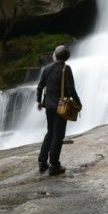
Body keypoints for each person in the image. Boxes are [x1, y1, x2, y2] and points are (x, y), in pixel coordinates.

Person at [36, 45, 81, 176]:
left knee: (50, 132)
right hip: (61, 106)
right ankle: (54, 165)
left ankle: (42, 162)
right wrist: (78, 102)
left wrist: (38, 101)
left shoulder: (47, 69)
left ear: (55, 55)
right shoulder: (66, 69)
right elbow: (71, 89)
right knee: (58, 135)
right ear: (66, 58)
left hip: (48, 106)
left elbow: (40, 87)